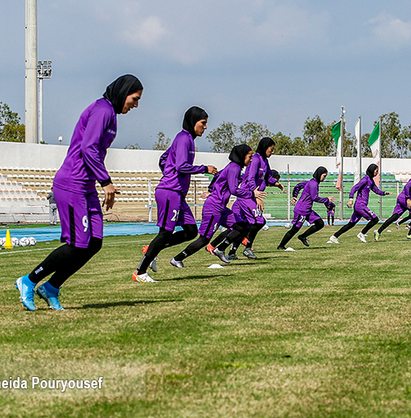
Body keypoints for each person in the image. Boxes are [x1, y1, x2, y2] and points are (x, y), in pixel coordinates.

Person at [15, 74, 143, 310]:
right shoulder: (102, 109)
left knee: (94, 243)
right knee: (78, 244)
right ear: (123, 92)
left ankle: (51, 287)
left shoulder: (111, 114)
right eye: (134, 99)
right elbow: (88, 147)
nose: (135, 105)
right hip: (72, 184)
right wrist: (106, 181)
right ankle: (29, 280)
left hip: (86, 187)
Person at [134, 107, 218, 282]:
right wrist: (204, 169)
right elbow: (180, 166)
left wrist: (169, 172)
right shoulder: (183, 139)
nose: (205, 127)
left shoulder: (188, 140)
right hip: (170, 192)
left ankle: (152, 250)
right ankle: (140, 272)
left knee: (190, 231)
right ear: (192, 122)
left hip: (176, 193)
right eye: (203, 123)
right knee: (165, 233)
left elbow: (164, 159)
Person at [171, 144, 260, 267]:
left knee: (242, 226)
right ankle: (178, 258)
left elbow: (219, 176)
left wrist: (211, 190)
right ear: (241, 156)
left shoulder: (234, 167)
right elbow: (234, 190)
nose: (251, 160)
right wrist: (251, 193)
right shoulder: (234, 168)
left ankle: (220, 249)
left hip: (221, 208)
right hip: (214, 207)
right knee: (204, 239)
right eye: (249, 157)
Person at [226, 137, 284, 259]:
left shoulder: (265, 161)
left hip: (253, 196)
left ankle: (232, 251)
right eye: (271, 149)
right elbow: (251, 178)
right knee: (260, 221)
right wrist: (255, 194)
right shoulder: (256, 159)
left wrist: (276, 183)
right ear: (264, 147)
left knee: (245, 225)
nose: (272, 152)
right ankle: (247, 247)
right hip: (248, 195)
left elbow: (268, 177)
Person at [329, 163, 389, 243]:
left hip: (361, 206)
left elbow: (376, 190)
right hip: (360, 205)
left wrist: (384, 193)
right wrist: (351, 199)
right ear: (371, 170)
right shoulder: (365, 180)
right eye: (376, 171)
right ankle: (362, 233)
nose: (377, 173)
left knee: (351, 224)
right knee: (375, 219)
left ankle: (334, 236)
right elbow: (354, 188)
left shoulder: (371, 181)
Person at [277, 167, 332, 250]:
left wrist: (295, 196)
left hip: (307, 210)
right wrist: (327, 199)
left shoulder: (313, 182)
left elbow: (298, 186)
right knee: (295, 229)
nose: (324, 178)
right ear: (319, 174)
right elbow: (314, 198)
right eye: (324, 176)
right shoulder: (314, 183)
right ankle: (281, 246)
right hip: (301, 210)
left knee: (320, 223)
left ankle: (302, 237)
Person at [375, 164, 411, 241]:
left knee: (395, 217)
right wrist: (408, 199)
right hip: (405, 198)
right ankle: (410, 234)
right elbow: (407, 186)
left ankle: (378, 231)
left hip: (401, 198)